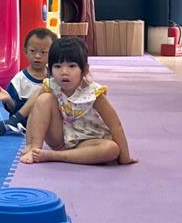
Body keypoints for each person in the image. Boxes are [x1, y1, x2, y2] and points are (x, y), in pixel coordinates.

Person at [20, 37, 135, 165]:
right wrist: (30, 144)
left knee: (112, 149)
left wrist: (125, 157)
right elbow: (35, 114)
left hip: (87, 142)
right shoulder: (51, 86)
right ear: (50, 69)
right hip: (60, 140)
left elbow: (115, 125)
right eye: (57, 66)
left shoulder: (93, 93)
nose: (64, 72)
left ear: (84, 70)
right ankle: (36, 150)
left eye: (72, 66)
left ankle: (55, 156)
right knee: (43, 99)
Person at [0, 27, 56, 136]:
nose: (37, 56)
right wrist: (8, 99)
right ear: (25, 51)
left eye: (44, 52)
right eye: (33, 51)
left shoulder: (55, 75)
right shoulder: (19, 79)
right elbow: (13, 109)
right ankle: (16, 123)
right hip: (26, 121)